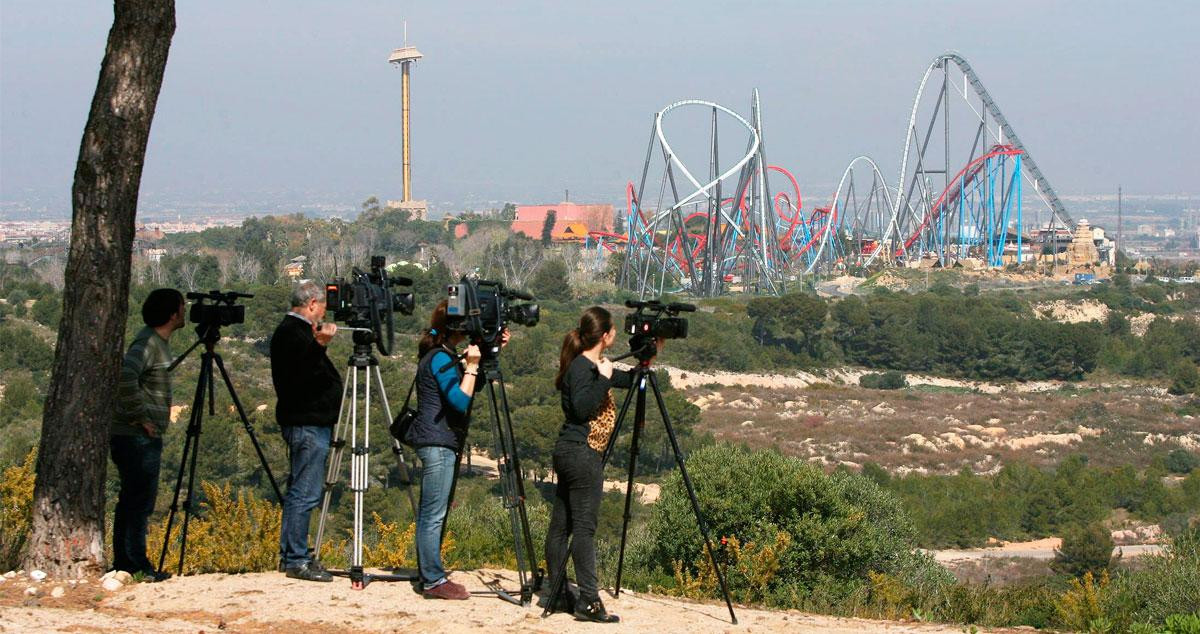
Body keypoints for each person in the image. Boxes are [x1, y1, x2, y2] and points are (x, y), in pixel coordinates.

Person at [544, 306, 659, 623]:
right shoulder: (584, 367)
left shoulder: (588, 364)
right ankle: (589, 602)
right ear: (606, 335)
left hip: (569, 451)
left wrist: (647, 356)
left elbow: (626, 380)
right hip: (582, 453)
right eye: (614, 332)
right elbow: (582, 408)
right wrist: (605, 379)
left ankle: (556, 594)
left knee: (561, 526)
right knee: (583, 529)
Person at [405, 300, 509, 600]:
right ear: (456, 328)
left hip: (437, 441)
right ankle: (434, 580)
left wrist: (490, 351)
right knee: (433, 514)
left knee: (432, 512)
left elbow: (471, 386)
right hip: (437, 442)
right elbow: (461, 401)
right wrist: (473, 366)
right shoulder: (439, 358)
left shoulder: (441, 355)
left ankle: (430, 574)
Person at [111, 287, 185, 581]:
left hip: (136, 434)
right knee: (137, 501)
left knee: (137, 499)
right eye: (182, 307)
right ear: (172, 313)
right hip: (134, 436)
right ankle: (132, 564)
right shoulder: (148, 343)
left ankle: (130, 562)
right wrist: (139, 416)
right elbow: (125, 375)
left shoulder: (154, 342)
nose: (185, 311)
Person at [270, 279, 341, 582]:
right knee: (305, 491)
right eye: (323, 305)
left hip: (311, 422)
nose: (325, 312)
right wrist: (321, 344)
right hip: (306, 423)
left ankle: (294, 555)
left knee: (302, 490)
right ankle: (296, 559)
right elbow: (299, 375)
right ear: (312, 304)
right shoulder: (291, 332)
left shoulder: (296, 332)